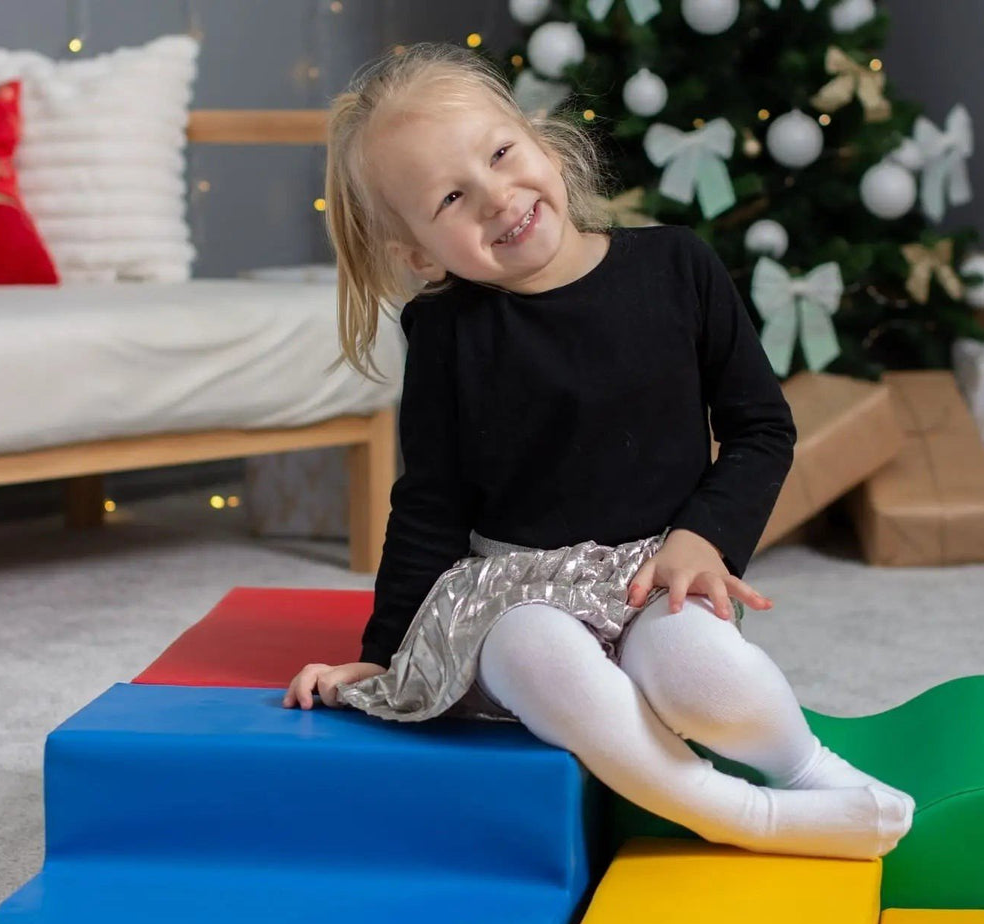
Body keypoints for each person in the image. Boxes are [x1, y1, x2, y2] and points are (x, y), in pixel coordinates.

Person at [283, 42, 914, 861]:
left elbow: (763, 428)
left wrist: (705, 536)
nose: (498, 198)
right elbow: (431, 502)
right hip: (513, 594)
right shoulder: (445, 333)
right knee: (534, 649)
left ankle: (805, 771)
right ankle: (735, 815)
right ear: (418, 255)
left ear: (543, 141)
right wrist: (383, 654)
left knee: (697, 669)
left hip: (653, 573)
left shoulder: (678, 266)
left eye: (502, 154)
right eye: (450, 198)